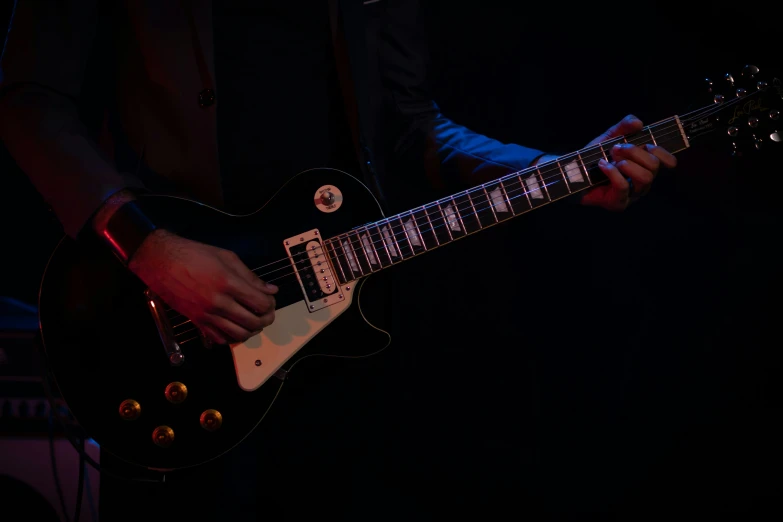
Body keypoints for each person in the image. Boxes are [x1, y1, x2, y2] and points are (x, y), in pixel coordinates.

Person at [0, 0, 676, 520]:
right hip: (167, 328)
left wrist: (552, 170)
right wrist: (147, 245)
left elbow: (410, 124)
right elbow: (29, 102)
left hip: (335, 335)